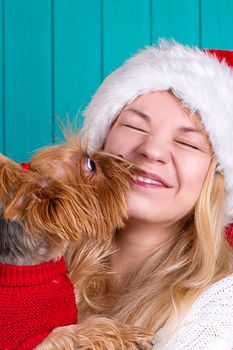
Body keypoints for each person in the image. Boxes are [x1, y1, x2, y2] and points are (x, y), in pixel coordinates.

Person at [79, 40, 233, 349]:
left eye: (188, 143)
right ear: (100, 144)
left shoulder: (220, 313)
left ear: (217, 180)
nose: (151, 150)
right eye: (135, 126)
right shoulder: (31, 256)